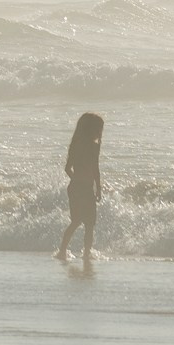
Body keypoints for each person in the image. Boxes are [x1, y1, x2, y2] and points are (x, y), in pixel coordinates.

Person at [55, 111, 103, 264]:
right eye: (99, 129)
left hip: (84, 188)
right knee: (78, 221)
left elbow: (94, 168)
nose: (101, 132)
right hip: (78, 188)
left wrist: (97, 187)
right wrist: (79, 180)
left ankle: (85, 253)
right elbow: (68, 168)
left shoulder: (88, 145)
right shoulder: (81, 146)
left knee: (89, 223)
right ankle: (63, 251)